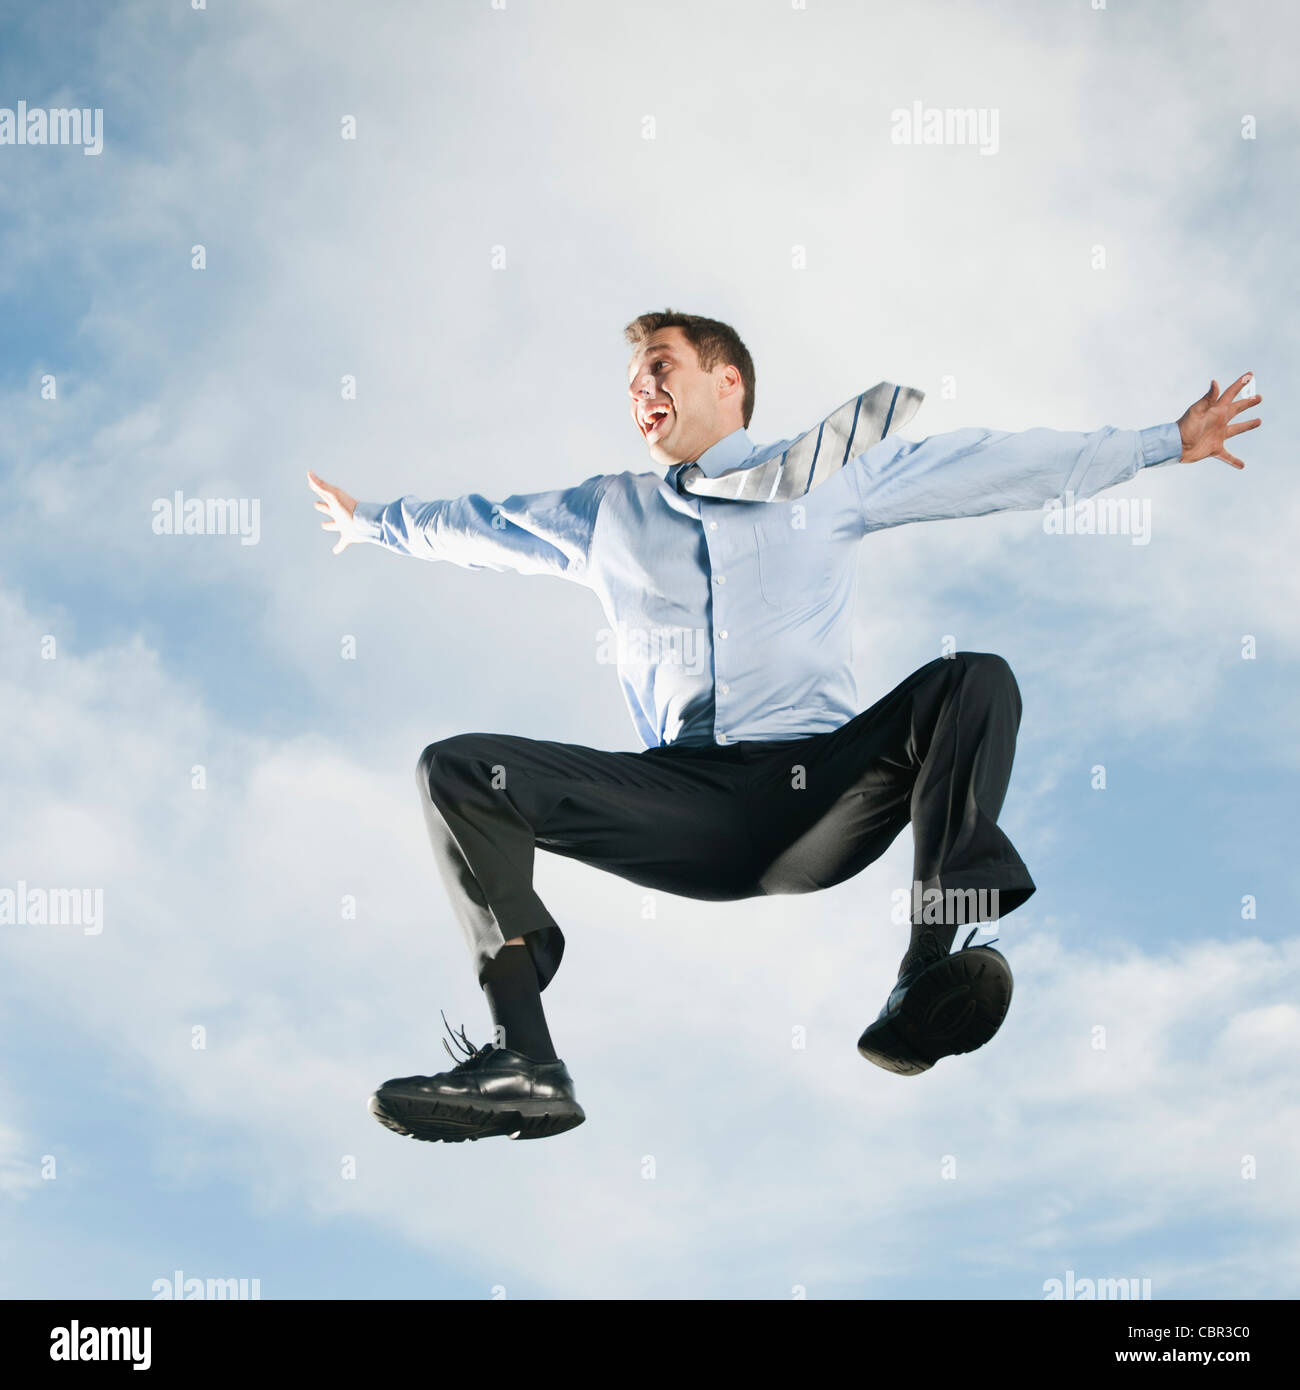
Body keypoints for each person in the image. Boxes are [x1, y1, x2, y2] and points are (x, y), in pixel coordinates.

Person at [307, 310, 1261, 1145]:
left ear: (729, 382)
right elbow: (484, 524)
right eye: (632, 380)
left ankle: (926, 971)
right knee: (458, 770)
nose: (641, 389)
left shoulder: (827, 478)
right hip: (681, 803)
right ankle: (525, 1059)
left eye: (661, 367)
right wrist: (375, 522)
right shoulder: (609, 511)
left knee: (973, 681)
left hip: (823, 793)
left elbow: (986, 466)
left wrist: (1159, 442)